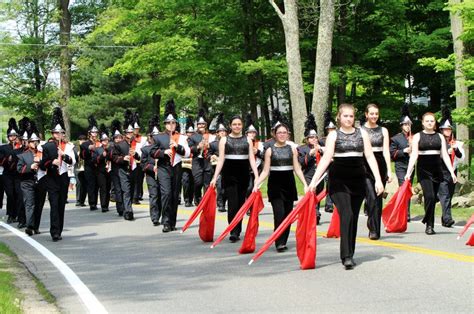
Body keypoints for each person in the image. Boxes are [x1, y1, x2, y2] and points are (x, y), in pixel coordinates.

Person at [309, 103, 384, 270]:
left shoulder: (362, 134)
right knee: (347, 214)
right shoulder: (333, 136)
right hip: (339, 181)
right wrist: (314, 181)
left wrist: (378, 180)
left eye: (351, 116)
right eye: (345, 116)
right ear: (339, 117)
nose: (349, 119)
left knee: (354, 217)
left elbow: (370, 157)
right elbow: (327, 158)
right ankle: (346, 255)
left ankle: (350, 251)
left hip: (358, 180)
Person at [254, 122, 308, 252]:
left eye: (284, 132)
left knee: (288, 215)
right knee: (279, 214)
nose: (282, 135)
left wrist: (305, 184)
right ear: (274, 134)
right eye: (279, 133)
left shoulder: (292, 149)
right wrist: (257, 184)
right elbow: (266, 171)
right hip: (275, 185)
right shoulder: (270, 150)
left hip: (289, 184)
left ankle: (283, 240)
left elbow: (297, 169)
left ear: (288, 134)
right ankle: (279, 241)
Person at [405, 112, 457, 235]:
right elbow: (414, 155)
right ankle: (428, 223)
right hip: (423, 170)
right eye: (427, 121)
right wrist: (409, 171)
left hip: (437, 170)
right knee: (430, 196)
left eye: (432, 121)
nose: (429, 123)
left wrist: (451, 172)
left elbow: (444, 155)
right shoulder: (417, 136)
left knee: (433, 199)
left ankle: (428, 222)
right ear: (423, 123)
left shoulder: (440, 137)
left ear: (435, 123)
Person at [210, 115, 259, 242]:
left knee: (241, 203)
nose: (237, 126)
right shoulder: (224, 140)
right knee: (232, 204)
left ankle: (238, 228)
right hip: (229, 174)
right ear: (230, 126)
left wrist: (257, 176)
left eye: (239, 124)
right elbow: (221, 160)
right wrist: (215, 177)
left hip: (243, 174)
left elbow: (251, 159)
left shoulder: (248, 140)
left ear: (242, 126)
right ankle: (233, 230)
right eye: (234, 124)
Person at [150, 100, 190, 232]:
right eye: (168, 123)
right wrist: (163, 152)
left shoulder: (181, 137)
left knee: (174, 195)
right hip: (163, 167)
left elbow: (187, 153)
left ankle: (172, 221)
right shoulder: (159, 137)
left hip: (177, 167)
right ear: (165, 124)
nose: (171, 125)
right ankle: (166, 221)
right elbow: (151, 152)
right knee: (166, 193)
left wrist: (177, 147)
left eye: (173, 123)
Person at [40, 107, 76, 241]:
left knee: (61, 205)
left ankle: (59, 230)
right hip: (52, 178)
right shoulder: (47, 147)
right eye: (56, 133)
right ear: (53, 133)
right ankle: (54, 231)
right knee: (54, 205)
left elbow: (72, 161)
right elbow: (43, 164)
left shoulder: (69, 146)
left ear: (63, 134)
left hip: (63, 177)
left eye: (60, 133)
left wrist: (64, 156)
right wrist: (51, 162)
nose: (58, 135)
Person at [361, 104, 392, 240]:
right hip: (365, 165)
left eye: (376, 114)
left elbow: (386, 151)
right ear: (366, 114)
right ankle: (372, 227)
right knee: (371, 196)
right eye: (371, 114)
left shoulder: (383, 130)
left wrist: (389, 171)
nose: (374, 116)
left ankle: (376, 229)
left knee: (378, 198)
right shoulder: (360, 130)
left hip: (380, 164)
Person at [438, 107, 464, 227]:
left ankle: (444, 218)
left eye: (449, 129)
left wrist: (455, 149)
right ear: (442, 130)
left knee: (449, 194)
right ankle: (448, 219)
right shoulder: (438, 142)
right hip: (441, 171)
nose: (447, 131)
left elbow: (461, 158)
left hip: (453, 171)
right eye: (445, 129)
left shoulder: (456, 143)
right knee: (445, 195)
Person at [112, 111, 140, 221]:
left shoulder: (137, 143)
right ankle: (128, 211)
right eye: (128, 132)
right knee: (126, 190)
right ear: (125, 133)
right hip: (122, 170)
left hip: (133, 169)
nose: (129, 134)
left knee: (131, 190)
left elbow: (141, 157)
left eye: (131, 132)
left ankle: (127, 207)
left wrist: (136, 154)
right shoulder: (119, 145)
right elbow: (114, 157)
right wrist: (123, 158)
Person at [298, 114, 324, 224]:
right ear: (307, 139)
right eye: (311, 137)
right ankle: (315, 214)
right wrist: (310, 154)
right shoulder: (302, 149)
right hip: (309, 175)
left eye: (315, 137)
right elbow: (301, 163)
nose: (314, 139)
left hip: (320, 175)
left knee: (317, 196)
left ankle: (315, 212)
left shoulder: (321, 147)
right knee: (311, 195)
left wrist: (321, 151)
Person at [389, 104, 414, 221]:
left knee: (408, 188)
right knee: (402, 187)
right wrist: (404, 151)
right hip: (400, 166)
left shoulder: (414, 138)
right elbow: (392, 153)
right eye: (405, 124)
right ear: (401, 126)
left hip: (411, 166)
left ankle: (407, 211)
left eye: (409, 124)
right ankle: (403, 211)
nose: (407, 126)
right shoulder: (396, 138)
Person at [17, 123, 42, 236]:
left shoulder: (42, 153)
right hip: (27, 182)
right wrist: (29, 167)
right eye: (32, 141)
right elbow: (19, 169)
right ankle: (29, 226)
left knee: (39, 205)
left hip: (40, 182)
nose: (34, 143)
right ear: (28, 142)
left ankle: (36, 226)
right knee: (30, 204)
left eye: (36, 141)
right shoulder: (23, 155)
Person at [187, 109, 214, 206]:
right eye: (199, 124)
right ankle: (197, 196)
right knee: (198, 182)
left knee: (207, 183)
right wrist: (198, 147)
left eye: (203, 124)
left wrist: (209, 148)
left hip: (207, 161)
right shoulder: (192, 137)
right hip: (197, 162)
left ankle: (205, 200)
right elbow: (191, 149)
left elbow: (214, 148)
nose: (201, 126)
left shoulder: (211, 136)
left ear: (205, 125)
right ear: (197, 125)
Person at [0, 118, 23, 224]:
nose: (12, 138)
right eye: (10, 136)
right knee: (10, 194)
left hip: (18, 174)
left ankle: (18, 214)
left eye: (14, 136)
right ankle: (10, 214)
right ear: (8, 137)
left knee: (18, 194)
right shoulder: (3, 148)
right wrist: (7, 159)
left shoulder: (21, 148)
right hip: (8, 174)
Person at [141, 116, 162, 226]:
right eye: (153, 136)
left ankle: (161, 215)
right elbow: (143, 164)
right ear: (150, 137)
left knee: (162, 195)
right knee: (154, 195)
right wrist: (152, 167)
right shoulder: (145, 149)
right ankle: (154, 217)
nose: (155, 138)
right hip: (151, 175)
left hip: (162, 174)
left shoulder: (162, 148)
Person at [80, 116, 100, 211]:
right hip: (89, 166)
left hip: (99, 166)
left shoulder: (99, 143)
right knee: (91, 185)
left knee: (97, 185)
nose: (95, 134)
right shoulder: (85, 144)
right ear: (89, 133)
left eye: (96, 132)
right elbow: (82, 155)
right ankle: (92, 203)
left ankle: (96, 202)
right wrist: (88, 149)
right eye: (93, 132)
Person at [209, 114, 228, 212]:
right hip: (218, 168)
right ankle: (221, 204)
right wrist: (212, 156)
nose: (223, 133)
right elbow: (208, 155)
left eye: (224, 131)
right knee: (220, 186)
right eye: (221, 131)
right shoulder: (213, 144)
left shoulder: (230, 142)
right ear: (217, 133)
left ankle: (225, 202)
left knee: (227, 187)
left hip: (228, 168)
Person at [319, 111, 337, 213]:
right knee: (328, 184)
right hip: (326, 165)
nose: (331, 131)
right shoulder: (322, 140)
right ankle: (329, 204)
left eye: (333, 129)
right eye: (329, 129)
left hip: (336, 164)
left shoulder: (337, 138)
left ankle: (331, 203)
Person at [93, 125, 112, 213]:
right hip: (100, 171)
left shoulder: (111, 148)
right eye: (104, 140)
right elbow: (94, 160)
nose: (105, 141)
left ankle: (106, 204)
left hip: (109, 170)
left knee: (108, 188)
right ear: (101, 141)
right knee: (103, 188)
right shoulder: (97, 150)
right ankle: (103, 205)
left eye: (107, 140)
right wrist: (101, 156)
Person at [245, 114, 264, 197]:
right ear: (246, 134)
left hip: (257, 168)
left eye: (253, 132)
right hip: (246, 169)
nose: (252, 134)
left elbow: (264, 157)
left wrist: (258, 152)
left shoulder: (260, 144)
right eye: (250, 132)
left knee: (254, 188)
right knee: (248, 188)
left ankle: (252, 206)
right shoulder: (243, 143)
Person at [109, 120, 125, 216]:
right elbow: (112, 157)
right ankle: (120, 208)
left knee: (124, 189)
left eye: (120, 138)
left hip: (124, 169)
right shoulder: (111, 147)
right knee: (118, 189)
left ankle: (125, 206)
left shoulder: (124, 146)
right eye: (116, 138)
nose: (118, 139)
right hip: (115, 170)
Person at [131, 112, 146, 204]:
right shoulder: (127, 139)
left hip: (138, 161)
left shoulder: (142, 139)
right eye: (134, 129)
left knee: (138, 180)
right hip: (129, 162)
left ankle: (136, 197)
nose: (135, 130)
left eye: (137, 129)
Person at [181, 117, 195, 207]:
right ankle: (186, 199)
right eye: (189, 132)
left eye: (192, 132)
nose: (190, 134)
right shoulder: (183, 141)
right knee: (185, 181)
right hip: (185, 164)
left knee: (193, 182)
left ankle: (191, 199)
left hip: (194, 164)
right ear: (186, 133)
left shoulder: (196, 140)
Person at [75, 135, 87, 207]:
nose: (82, 141)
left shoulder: (86, 147)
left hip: (85, 167)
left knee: (85, 184)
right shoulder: (76, 148)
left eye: (84, 140)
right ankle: (78, 200)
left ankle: (82, 200)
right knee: (79, 184)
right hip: (78, 168)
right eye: (81, 140)